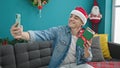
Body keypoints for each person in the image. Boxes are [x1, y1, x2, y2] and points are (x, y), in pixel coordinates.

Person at [10, 7, 94, 68]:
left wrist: (86, 50)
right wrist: (22, 34)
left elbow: (87, 59)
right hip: (61, 66)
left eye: (75, 18)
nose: (71, 19)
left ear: (82, 23)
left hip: (77, 65)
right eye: (71, 16)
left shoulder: (85, 35)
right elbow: (42, 34)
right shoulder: (60, 31)